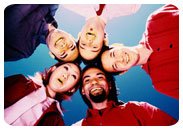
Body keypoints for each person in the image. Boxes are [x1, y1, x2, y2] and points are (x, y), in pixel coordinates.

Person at [101, 4, 179, 99]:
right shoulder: (162, 84)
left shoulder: (155, 20)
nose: (120, 59)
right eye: (115, 65)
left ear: (118, 45)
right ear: (123, 72)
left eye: (113, 54)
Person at [72, 65, 177, 126]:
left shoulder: (137, 109)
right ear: (82, 91)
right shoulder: (79, 126)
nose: (94, 82)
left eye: (100, 77)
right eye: (87, 80)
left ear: (109, 85)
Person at [4, 62, 81, 126]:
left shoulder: (56, 123)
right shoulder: (20, 80)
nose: (65, 75)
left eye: (73, 76)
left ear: (72, 89)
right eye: (66, 68)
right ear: (53, 69)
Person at [63, 4, 141, 62]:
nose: (89, 42)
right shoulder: (130, 7)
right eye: (94, 47)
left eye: (83, 44)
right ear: (104, 39)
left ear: (80, 35)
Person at [4, 4, 79, 62]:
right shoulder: (53, 5)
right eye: (71, 46)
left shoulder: (22, 49)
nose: (64, 46)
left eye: (63, 54)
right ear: (71, 36)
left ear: (52, 54)